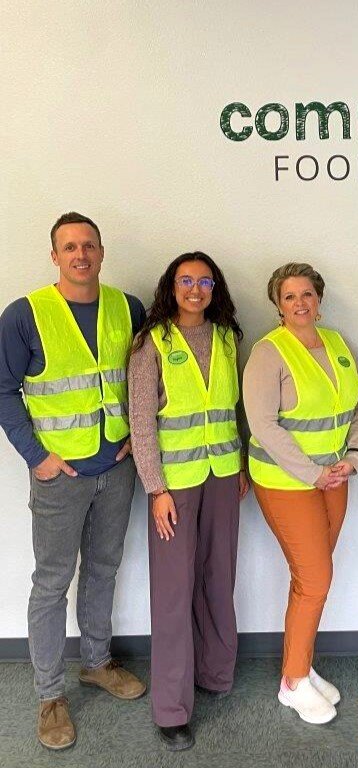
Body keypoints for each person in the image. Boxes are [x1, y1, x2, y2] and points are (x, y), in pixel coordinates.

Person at [0, 212, 146, 750]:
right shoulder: (24, 315)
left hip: (116, 467)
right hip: (60, 476)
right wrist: (37, 456)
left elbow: (140, 375)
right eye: (69, 247)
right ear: (55, 255)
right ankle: (49, 696)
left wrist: (136, 433)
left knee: (105, 567)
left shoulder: (126, 307)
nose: (80, 254)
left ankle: (97, 663)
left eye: (89, 245)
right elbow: (2, 389)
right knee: (52, 580)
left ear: (102, 252)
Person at [128, 252, 248, 751]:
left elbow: (233, 406)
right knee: (174, 592)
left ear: (214, 287)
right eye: (185, 281)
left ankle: (216, 674)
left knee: (219, 576)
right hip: (173, 486)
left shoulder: (225, 337)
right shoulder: (150, 342)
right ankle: (171, 709)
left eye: (204, 281)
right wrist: (156, 490)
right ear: (171, 288)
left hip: (223, 476)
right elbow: (142, 422)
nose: (195, 289)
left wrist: (239, 463)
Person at [243, 262, 358, 725]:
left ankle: (301, 666)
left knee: (313, 578)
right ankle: (292, 683)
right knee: (314, 579)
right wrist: (312, 472)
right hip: (286, 481)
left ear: (319, 298)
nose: (300, 303)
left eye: (307, 294)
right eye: (290, 296)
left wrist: (353, 456)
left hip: (334, 478)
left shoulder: (335, 343)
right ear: (278, 304)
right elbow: (263, 425)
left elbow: (357, 402)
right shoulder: (268, 352)